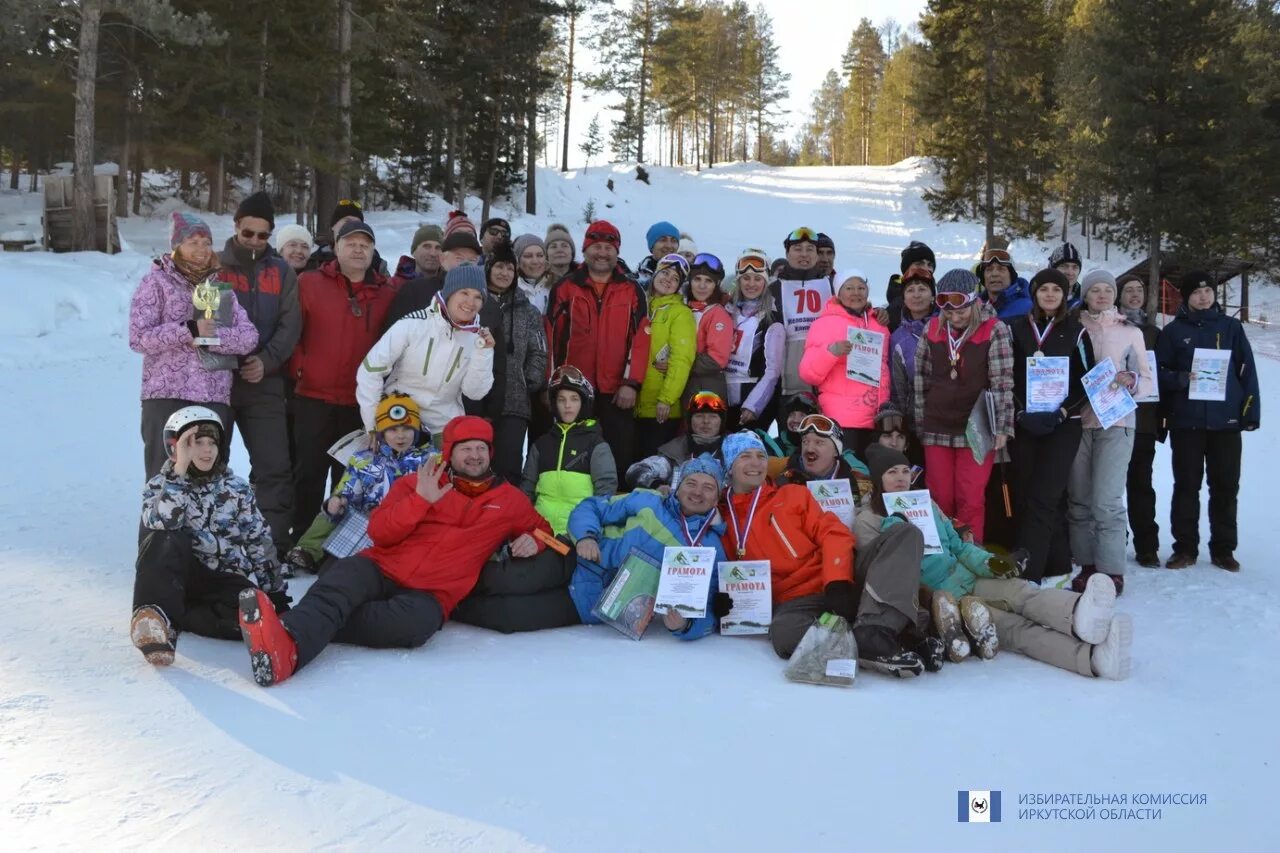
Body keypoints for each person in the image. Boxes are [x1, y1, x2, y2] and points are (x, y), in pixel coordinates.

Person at [237, 416, 553, 686]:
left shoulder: (509, 500)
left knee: (413, 627)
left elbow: (546, 531)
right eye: (466, 448)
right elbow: (380, 532)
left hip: (432, 594)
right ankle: (287, 654)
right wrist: (421, 501)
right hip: (381, 566)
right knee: (341, 578)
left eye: (481, 448)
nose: (475, 455)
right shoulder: (417, 482)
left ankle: (296, 624)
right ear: (449, 452)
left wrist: (535, 540)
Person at [860, 444, 1132, 680]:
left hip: (967, 575)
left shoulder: (926, 505)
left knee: (1021, 592)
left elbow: (959, 547)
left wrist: (992, 563)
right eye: (892, 472)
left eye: (905, 471)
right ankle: (1091, 658)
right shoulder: (868, 520)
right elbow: (883, 575)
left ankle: (1076, 614)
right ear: (877, 479)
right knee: (1016, 630)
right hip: (946, 600)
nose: (901, 478)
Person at [718, 432, 935, 676]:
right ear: (729, 465)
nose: (756, 463)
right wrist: (724, 601)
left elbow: (834, 533)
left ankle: (876, 630)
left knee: (906, 533)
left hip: (841, 581)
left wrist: (837, 580)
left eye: (760, 455)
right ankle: (889, 634)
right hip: (795, 603)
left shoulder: (791, 495)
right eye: (745, 456)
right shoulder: (720, 519)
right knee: (783, 634)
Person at [131, 406, 289, 665]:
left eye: (211, 442)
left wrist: (276, 595)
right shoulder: (159, 486)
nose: (206, 450)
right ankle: (154, 621)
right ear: (175, 447)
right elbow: (161, 521)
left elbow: (258, 540)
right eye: (195, 443)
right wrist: (179, 471)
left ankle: (179, 616)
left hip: (223, 579)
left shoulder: (235, 488)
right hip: (180, 575)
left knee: (251, 605)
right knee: (165, 538)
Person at [289, 219, 399, 542]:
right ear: (336, 248)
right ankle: (302, 537)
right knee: (308, 472)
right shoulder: (309, 283)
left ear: (373, 251)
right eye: (351, 243)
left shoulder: (386, 292)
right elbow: (291, 331)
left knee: (348, 477)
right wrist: (300, 368)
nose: (358, 249)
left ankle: (336, 543)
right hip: (313, 395)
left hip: (359, 403)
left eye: (365, 244)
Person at [130, 211, 257, 478]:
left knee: (209, 482)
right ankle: (159, 522)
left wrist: (214, 338)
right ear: (176, 246)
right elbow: (139, 337)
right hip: (167, 397)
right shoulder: (156, 283)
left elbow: (248, 337)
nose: (201, 249)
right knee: (164, 478)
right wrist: (188, 330)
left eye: (206, 242)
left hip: (213, 398)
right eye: (193, 242)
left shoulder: (220, 289)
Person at [215, 190, 301, 553]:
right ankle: (212, 542)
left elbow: (290, 324)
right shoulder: (216, 268)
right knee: (211, 463)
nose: (254, 241)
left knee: (273, 466)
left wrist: (265, 361)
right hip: (218, 382)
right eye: (248, 233)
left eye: (263, 235)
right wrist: (232, 363)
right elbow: (210, 326)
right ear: (236, 227)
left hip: (264, 382)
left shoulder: (280, 270)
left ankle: (273, 544)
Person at [1157, 270, 1260, 572]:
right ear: (1186, 297)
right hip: (1187, 422)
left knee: (1225, 486)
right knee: (1186, 485)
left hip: (1225, 422)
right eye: (1196, 293)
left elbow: (1247, 371)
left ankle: (1223, 549)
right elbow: (1159, 372)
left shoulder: (1231, 328)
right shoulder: (1174, 332)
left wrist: (1249, 411)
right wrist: (1179, 378)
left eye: (1208, 292)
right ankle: (1185, 548)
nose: (1203, 297)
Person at [568, 456, 729, 641]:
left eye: (708, 487)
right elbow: (592, 506)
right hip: (573, 561)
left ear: (717, 499)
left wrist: (685, 625)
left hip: (588, 605)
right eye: (691, 483)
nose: (698, 492)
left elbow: (711, 608)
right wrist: (586, 537)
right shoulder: (648, 500)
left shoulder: (711, 547)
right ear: (678, 488)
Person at [1068, 270, 1152, 595]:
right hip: (1079, 421)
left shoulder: (1130, 331)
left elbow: (1146, 379)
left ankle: (1111, 570)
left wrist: (1130, 381)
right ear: (1085, 295)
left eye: (1107, 290)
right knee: (1079, 500)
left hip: (1117, 423)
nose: (1101, 295)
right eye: (1095, 290)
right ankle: (1086, 566)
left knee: (1106, 499)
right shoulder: (1074, 326)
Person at [913, 272, 1014, 543]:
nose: (955, 317)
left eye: (962, 309)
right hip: (937, 425)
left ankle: (972, 557)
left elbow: (1002, 381)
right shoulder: (932, 328)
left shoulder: (994, 329)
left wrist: (1002, 426)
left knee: (969, 497)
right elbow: (921, 379)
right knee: (940, 497)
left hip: (976, 427)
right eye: (948, 310)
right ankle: (943, 558)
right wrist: (921, 422)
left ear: (975, 301)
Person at [1008, 268, 1094, 584]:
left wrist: (1060, 412)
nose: (1049, 295)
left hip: (1063, 424)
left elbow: (1087, 379)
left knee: (1047, 494)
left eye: (1055, 290)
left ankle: (1030, 573)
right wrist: (1020, 413)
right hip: (1026, 422)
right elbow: (1007, 376)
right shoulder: (1015, 328)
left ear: (1064, 295)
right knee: (1026, 491)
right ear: (1034, 294)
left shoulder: (1076, 331)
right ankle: (1056, 564)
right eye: (1043, 289)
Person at [285, 393, 432, 575]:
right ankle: (310, 550)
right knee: (332, 571)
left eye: (407, 429)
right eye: (393, 430)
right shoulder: (364, 460)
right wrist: (337, 504)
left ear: (417, 429)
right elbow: (348, 494)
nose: (401, 436)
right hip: (369, 528)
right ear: (381, 432)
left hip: (412, 529)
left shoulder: (431, 460)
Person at [547, 220, 649, 481]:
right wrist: (553, 385)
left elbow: (640, 340)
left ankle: (617, 502)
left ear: (617, 252)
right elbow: (552, 338)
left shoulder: (631, 289)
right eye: (596, 247)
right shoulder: (566, 287)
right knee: (573, 451)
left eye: (608, 247)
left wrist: (631, 383)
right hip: (575, 389)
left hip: (617, 390)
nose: (602, 253)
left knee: (619, 452)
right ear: (585, 249)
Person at [382, 211, 506, 421]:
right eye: (459, 257)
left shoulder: (489, 306)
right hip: (408, 406)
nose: (466, 263)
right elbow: (388, 349)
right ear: (443, 258)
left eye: (472, 259)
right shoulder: (415, 292)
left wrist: (491, 411)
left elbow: (497, 363)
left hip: (464, 409)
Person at [356, 263, 496, 440]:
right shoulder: (414, 324)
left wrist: (484, 353)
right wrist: (373, 425)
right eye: (464, 292)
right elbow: (370, 370)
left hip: (443, 429)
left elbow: (474, 392)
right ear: (449, 293)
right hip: (398, 423)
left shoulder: (477, 339)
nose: (471, 302)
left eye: (478, 297)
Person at [799, 268, 891, 456]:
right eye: (849, 288)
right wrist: (831, 352)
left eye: (861, 287)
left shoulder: (878, 323)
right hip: (843, 417)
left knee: (872, 478)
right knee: (849, 474)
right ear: (838, 293)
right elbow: (807, 373)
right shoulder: (824, 324)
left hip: (877, 416)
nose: (856, 293)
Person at [521, 366, 617, 535]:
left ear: (584, 402)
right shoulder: (541, 444)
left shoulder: (596, 444)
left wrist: (589, 533)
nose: (567, 405)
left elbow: (605, 494)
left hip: (579, 536)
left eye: (574, 399)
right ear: (554, 404)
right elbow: (526, 491)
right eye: (561, 399)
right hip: (541, 534)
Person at [481, 240, 548, 483]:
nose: (504, 273)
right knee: (475, 465)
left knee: (508, 467)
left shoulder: (527, 310)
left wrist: (528, 380)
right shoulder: (473, 302)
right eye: (499, 267)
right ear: (488, 268)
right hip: (475, 400)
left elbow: (539, 351)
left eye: (510, 268)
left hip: (515, 401)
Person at [1118, 273, 1163, 568]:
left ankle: (1147, 545)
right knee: (1108, 487)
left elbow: (1162, 375)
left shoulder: (1154, 332)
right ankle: (1113, 539)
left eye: (1139, 291)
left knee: (1141, 483)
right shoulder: (1110, 328)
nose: (1135, 295)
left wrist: (1162, 417)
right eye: (1129, 291)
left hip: (1144, 418)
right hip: (1112, 417)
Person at [633, 254, 697, 458]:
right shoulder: (640, 306)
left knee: (651, 466)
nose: (669, 279)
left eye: (675, 278)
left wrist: (666, 398)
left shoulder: (680, 313)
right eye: (665, 273)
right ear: (655, 273)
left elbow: (682, 358)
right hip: (633, 403)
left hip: (660, 407)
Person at [769, 227, 836, 406]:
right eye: (798, 249)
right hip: (788, 383)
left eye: (810, 249)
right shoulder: (774, 289)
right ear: (787, 253)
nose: (804, 254)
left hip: (828, 383)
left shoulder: (833, 285)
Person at [724, 249, 783, 432]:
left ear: (766, 283)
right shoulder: (727, 311)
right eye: (746, 278)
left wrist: (753, 405)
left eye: (758, 279)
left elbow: (772, 371)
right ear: (738, 280)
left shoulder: (771, 319)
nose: (751, 284)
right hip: (723, 396)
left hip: (751, 400)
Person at [627, 391, 727, 490]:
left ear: (721, 422)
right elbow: (635, 471)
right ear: (689, 421)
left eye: (713, 416)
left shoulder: (735, 451)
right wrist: (657, 485)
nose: (706, 421)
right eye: (699, 416)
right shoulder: (675, 451)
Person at [775, 413, 873, 506]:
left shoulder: (858, 483)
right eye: (805, 441)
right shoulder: (786, 481)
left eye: (819, 442)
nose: (809, 448)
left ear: (836, 451)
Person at [887, 269, 936, 438]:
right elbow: (897, 386)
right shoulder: (898, 337)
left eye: (922, 289)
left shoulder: (947, 326)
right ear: (904, 298)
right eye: (910, 290)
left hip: (947, 417)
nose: (916, 295)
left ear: (932, 296)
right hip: (915, 421)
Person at [684, 253, 733, 405]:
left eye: (709, 281)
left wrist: (678, 364)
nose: (702, 286)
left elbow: (716, 359)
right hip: (684, 383)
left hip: (706, 387)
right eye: (697, 279)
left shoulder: (717, 313)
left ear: (716, 285)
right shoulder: (685, 308)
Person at [307, 199, 388, 275]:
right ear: (333, 225)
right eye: (347, 221)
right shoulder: (315, 261)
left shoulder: (375, 264)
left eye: (357, 223)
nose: (352, 226)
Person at [977, 239, 1032, 322]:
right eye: (989, 269)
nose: (994, 274)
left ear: (1011, 276)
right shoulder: (975, 307)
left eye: (1001, 269)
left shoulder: (1028, 308)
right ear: (983, 277)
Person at [885, 240, 936, 306]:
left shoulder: (941, 296)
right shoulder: (898, 305)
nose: (926, 268)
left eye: (930, 265)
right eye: (919, 264)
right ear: (907, 269)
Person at [513, 233, 552, 313]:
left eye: (540, 255)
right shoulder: (509, 289)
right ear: (518, 261)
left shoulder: (555, 287)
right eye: (528, 256)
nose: (535, 261)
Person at [636, 220, 681, 288]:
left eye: (674, 241)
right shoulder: (637, 280)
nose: (669, 246)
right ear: (652, 246)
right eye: (663, 240)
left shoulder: (685, 277)